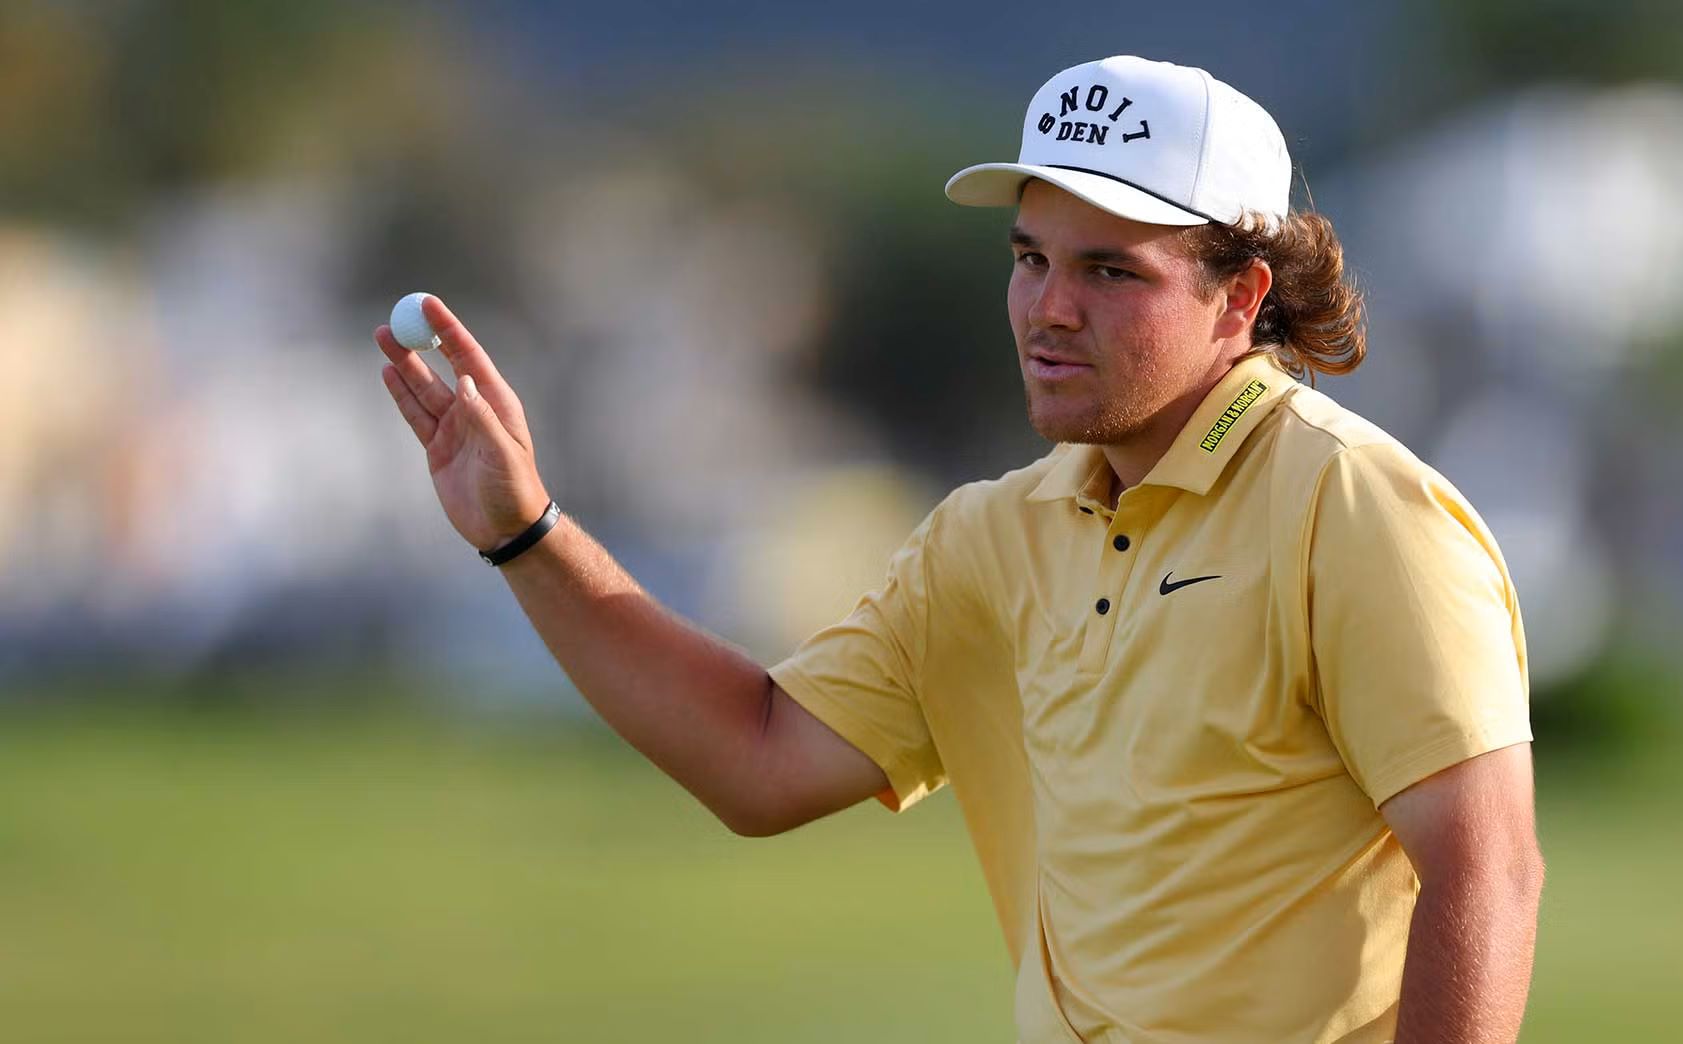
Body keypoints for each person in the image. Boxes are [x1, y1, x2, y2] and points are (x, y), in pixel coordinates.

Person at [376, 54, 1542, 1044]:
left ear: (1239, 299)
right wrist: (525, 532)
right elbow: (757, 757)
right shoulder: (989, 536)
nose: (1047, 309)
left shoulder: (1355, 506)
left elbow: (1485, 871)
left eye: (1108, 271)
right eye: (1030, 258)